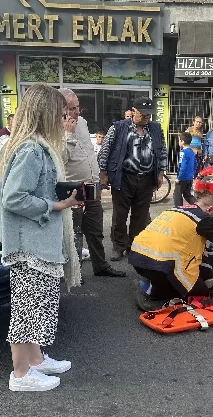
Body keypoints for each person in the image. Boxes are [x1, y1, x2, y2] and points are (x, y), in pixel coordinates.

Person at [0, 83, 81, 392]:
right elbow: (14, 198)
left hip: (35, 240)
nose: (65, 119)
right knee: (26, 308)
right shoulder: (31, 149)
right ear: (45, 114)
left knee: (36, 305)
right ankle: (21, 374)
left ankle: (35, 359)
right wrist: (56, 204)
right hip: (30, 243)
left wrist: (61, 198)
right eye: (60, 114)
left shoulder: (35, 146)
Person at [129, 190, 213, 311]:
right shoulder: (205, 219)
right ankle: (153, 291)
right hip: (160, 266)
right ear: (209, 210)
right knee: (202, 294)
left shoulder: (176, 210)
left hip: (137, 258)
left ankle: (158, 282)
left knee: (199, 270)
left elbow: (198, 251)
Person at [59, 88, 125, 279]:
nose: (77, 112)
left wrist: (98, 177)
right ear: (60, 108)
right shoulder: (55, 126)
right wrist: (68, 135)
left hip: (90, 185)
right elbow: (60, 159)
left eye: (77, 107)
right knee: (73, 232)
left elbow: (88, 153)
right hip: (71, 187)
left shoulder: (83, 122)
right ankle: (74, 272)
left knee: (95, 230)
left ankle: (100, 265)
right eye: (72, 108)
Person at [98, 97, 168, 261]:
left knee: (140, 216)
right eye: (143, 114)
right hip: (124, 178)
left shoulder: (156, 129)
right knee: (119, 216)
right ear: (133, 111)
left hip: (146, 179)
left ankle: (134, 246)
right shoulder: (119, 127)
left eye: (149, 115)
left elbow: (162, 151)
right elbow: (105, 150)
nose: (146, 118)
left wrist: (160, 173)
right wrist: (103, 173)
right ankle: (118, 246)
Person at [174, 131, 197, 207]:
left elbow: (183, 166)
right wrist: (192, 174)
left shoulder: (183, 152)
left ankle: (178, 209)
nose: (178, 142)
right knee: (187, 194)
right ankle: (198, 205)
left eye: (179, 140)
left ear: (182, 141)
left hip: (182, 178)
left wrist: (179, 178)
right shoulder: (192, 152)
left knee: (177, 195)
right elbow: (195, 164)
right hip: (189, 178)